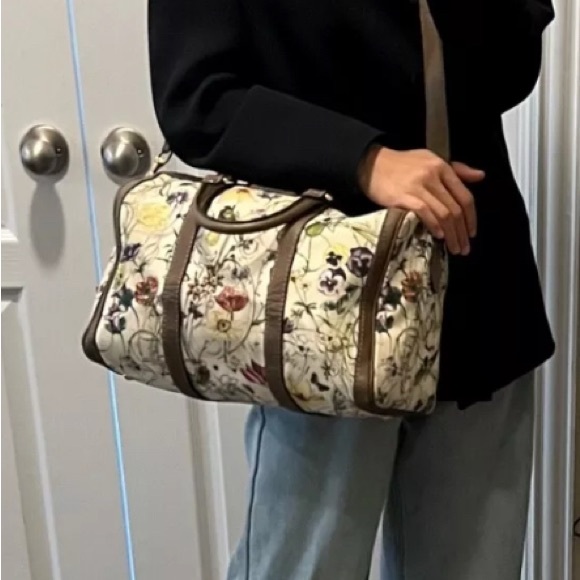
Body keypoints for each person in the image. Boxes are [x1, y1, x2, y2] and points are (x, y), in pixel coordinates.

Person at [148, 0, 556, 578]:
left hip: (477, 274)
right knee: (307, 563)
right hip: (321, 301)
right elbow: (197, 97)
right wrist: (364, 160)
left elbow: (509, 67)